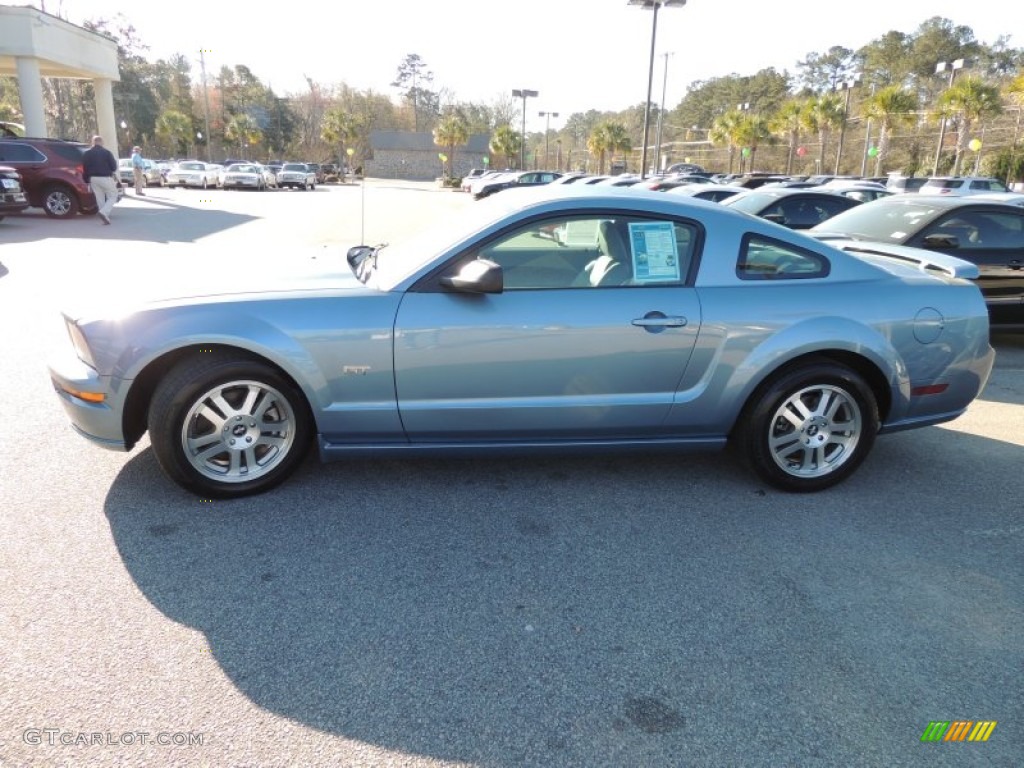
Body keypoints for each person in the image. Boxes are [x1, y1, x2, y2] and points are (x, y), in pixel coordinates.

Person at [82, 135, 118, 225]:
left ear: (93, 142)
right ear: (101, 142)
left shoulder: (87, 153)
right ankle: (104, 212)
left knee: (100, 198)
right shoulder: (107, 153)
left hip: (93, 178)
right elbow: (114, 167)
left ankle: (105, 217)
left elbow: (85, 168)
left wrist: (86, 180)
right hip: (105, 177)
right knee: (113, 195)